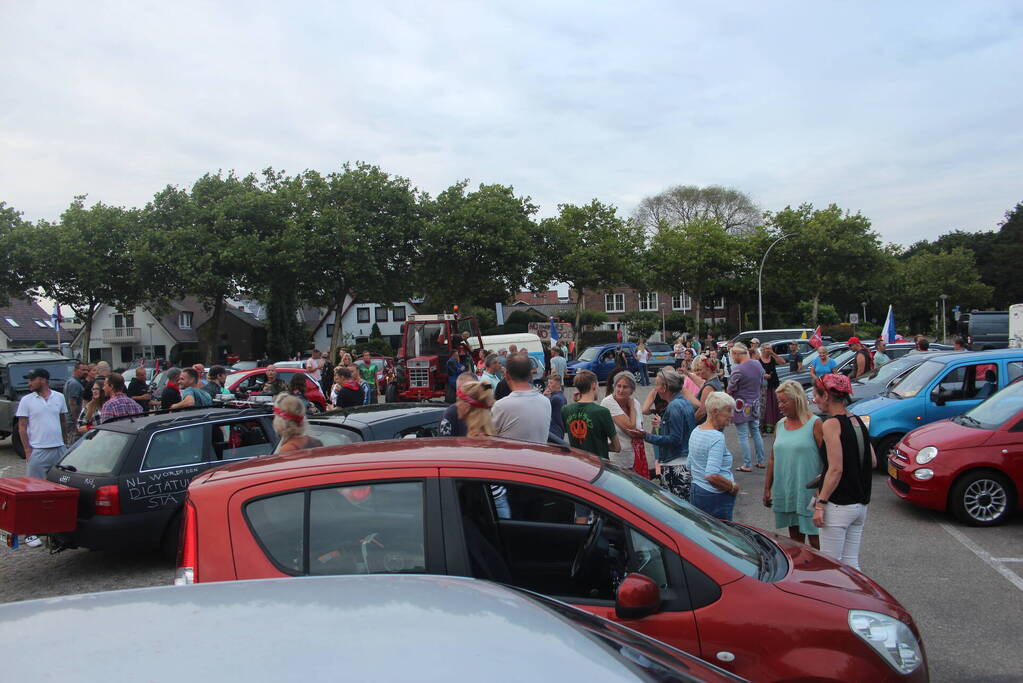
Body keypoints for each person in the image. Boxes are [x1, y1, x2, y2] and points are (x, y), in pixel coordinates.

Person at [812, 373, 875, 570]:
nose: (815, 400)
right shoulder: (857, 420)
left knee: (831, 567)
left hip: (839, 504)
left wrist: (821, 503)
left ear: (826, 397)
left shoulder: (831, 424)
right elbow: (871, 460)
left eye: (816, 395)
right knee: (850, 563)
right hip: (859, 503)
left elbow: (836, 468)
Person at [764, 381, 823, 548]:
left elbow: (829, 460)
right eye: (778, 401)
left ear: (797, 400)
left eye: (784, 401)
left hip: (808, 493)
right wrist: (767, 487)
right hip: (788, 490)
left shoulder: (815, 424)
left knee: (816, 542)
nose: (780, 406)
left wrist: (821, 492)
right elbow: (773, 458)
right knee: (796, 543)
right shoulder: (780, 425)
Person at [16, 368, 70, 546]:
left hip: (58, 449)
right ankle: (31, 533)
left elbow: (63, 421)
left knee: (62, 490)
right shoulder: (26, 400)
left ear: (42, 380)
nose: (29, 383)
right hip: (38, 451)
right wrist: (28, 450)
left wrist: (64, 441)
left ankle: (57, 530)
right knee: (33, 494)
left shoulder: (59, 397)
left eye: (31, 379)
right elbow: (22, 426)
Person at [634, 368, 696, 500]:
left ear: (664, 387)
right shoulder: (684, 402)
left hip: (676, 464)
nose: (655, 388)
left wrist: (645, 436)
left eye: (657, 384)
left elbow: (675, 439)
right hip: (684, 461)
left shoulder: (674, 406)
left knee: (678, 507)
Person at [688, 391, 739, 519]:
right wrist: (732, 487)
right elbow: (711, 476)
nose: (731, 415)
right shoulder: (716, 437)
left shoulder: (696, 431)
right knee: (722, 535)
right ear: (715, 411)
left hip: (697, 490)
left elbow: (689, 465)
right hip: (715, 496)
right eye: (728, 411)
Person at [491, 354, 551, 443]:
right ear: (531, 374)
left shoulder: (501, 406)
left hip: (510, 456)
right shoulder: (546, 402)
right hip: (539, 455)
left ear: (507, 374)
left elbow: (490, 438)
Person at [561, 370, 619, 460]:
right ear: (594, 385)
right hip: (598, 464)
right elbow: (616, 447)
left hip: (578, 462)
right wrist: (599, 447)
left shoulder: (565, 409)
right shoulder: (602, 412)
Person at [727, 343, 765, 472]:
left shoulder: (738, 369)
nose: (732, 358)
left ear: (737, 354)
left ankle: (747, 464)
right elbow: (762, 380)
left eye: (732, 355)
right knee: (755, 431)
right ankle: (761, 460)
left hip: (740, 405)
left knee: (743, 435)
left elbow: (730, 388)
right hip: (755, 402)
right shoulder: (757, 364)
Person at [601, 373, 647, 477]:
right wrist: (631, 408)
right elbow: (631, 427)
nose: (620, 390)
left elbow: (640, 427)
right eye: (618, 386)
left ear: (632, 389)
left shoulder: (636, 403)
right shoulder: (608, 403)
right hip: (616, 460)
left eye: (625, 387)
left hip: (634, 458)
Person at [439, 372, 477, 436]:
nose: (463, 392)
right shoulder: (451, 414)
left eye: (468, 388)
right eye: (460, 389)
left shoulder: (484, 410)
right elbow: (445, 443)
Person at [759, 343, 785, 433]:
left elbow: (783, 362)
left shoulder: (772, 357)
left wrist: (773, 353)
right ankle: (764, 426)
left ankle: (776, 425)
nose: (769, 350)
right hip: (763, 386)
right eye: (767, 349)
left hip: (774, 384)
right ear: (762, 350)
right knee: (765, 405)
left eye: (770, 348)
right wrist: (763, 375)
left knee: (775, 404)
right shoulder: (758, 359)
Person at [688, 355, 722, 423]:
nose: (699, 373)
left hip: (705, 424)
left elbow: (702, 411)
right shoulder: (714, 381)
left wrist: (690, 423)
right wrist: (686, 373)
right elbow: (699, 382)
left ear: (708, 369)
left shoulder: (709, 387)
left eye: (701, 369)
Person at [544, 372, 567, 439]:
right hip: (560, 431)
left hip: (553, 432)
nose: (548, 385)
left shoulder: (555, 398)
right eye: (548, 383)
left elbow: (543, 410)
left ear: (558, 384)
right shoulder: (563, 397)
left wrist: (544, 396)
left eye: (551, 383)